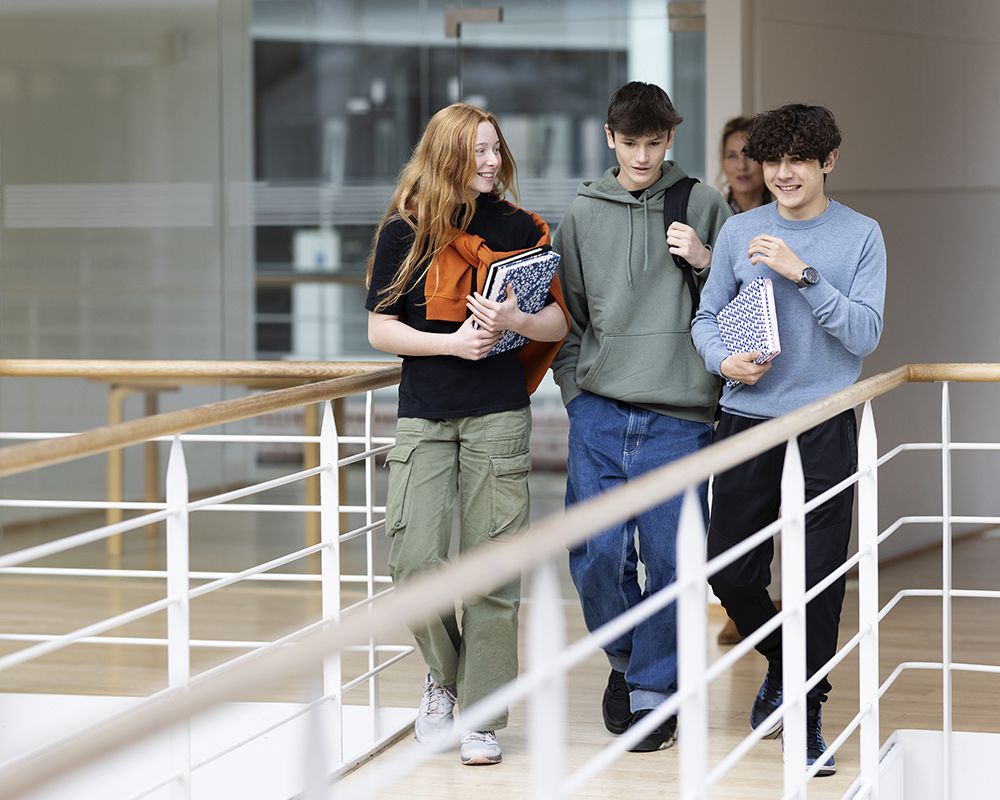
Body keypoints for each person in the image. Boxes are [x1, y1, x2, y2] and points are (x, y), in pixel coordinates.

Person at [365, 102, 569, 767]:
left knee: (492, 569)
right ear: (445, 156)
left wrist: (516, 316)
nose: (490, 162)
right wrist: (452, 343)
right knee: (413, 560)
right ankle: (443, 681)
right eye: (476, 152)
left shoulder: (520, 227)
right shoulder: (406, 229)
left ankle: (481, 713)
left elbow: (556, 327)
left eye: (494, 150)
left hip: (499, 416)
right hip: (425, 413)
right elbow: (379, 330)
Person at [691, 104, 887, 776]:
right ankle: (782, 662)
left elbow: (864, 334)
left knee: (820, 575)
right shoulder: (742, 229)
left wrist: (804, 274)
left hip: (827, 417)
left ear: (827, 162)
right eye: (771, 161)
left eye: (796, 161)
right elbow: (707, 319)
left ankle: (806, 712)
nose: (780, 174)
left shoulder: (861, 236)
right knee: (730, 567)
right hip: (747, 414)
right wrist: (725, 361)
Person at [551, 81, 730, 751]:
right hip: (599, 412)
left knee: (672, 560)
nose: (644, 156)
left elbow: (738, 305)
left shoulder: (703, 204)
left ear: (671, 139)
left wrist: (708, 261)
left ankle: (655, 691)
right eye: (631, 143)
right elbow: (568, 316)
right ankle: (627, 664)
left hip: (680, 418)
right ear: (609, 138)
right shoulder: (582, 214)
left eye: (655, 143)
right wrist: (575, 395)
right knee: (595, 557)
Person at [718, 115, 772, 214]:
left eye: (750, 155)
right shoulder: (714, 215)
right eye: (732, 156)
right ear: (723, 163)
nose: (742, 166)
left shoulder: (786, 214)